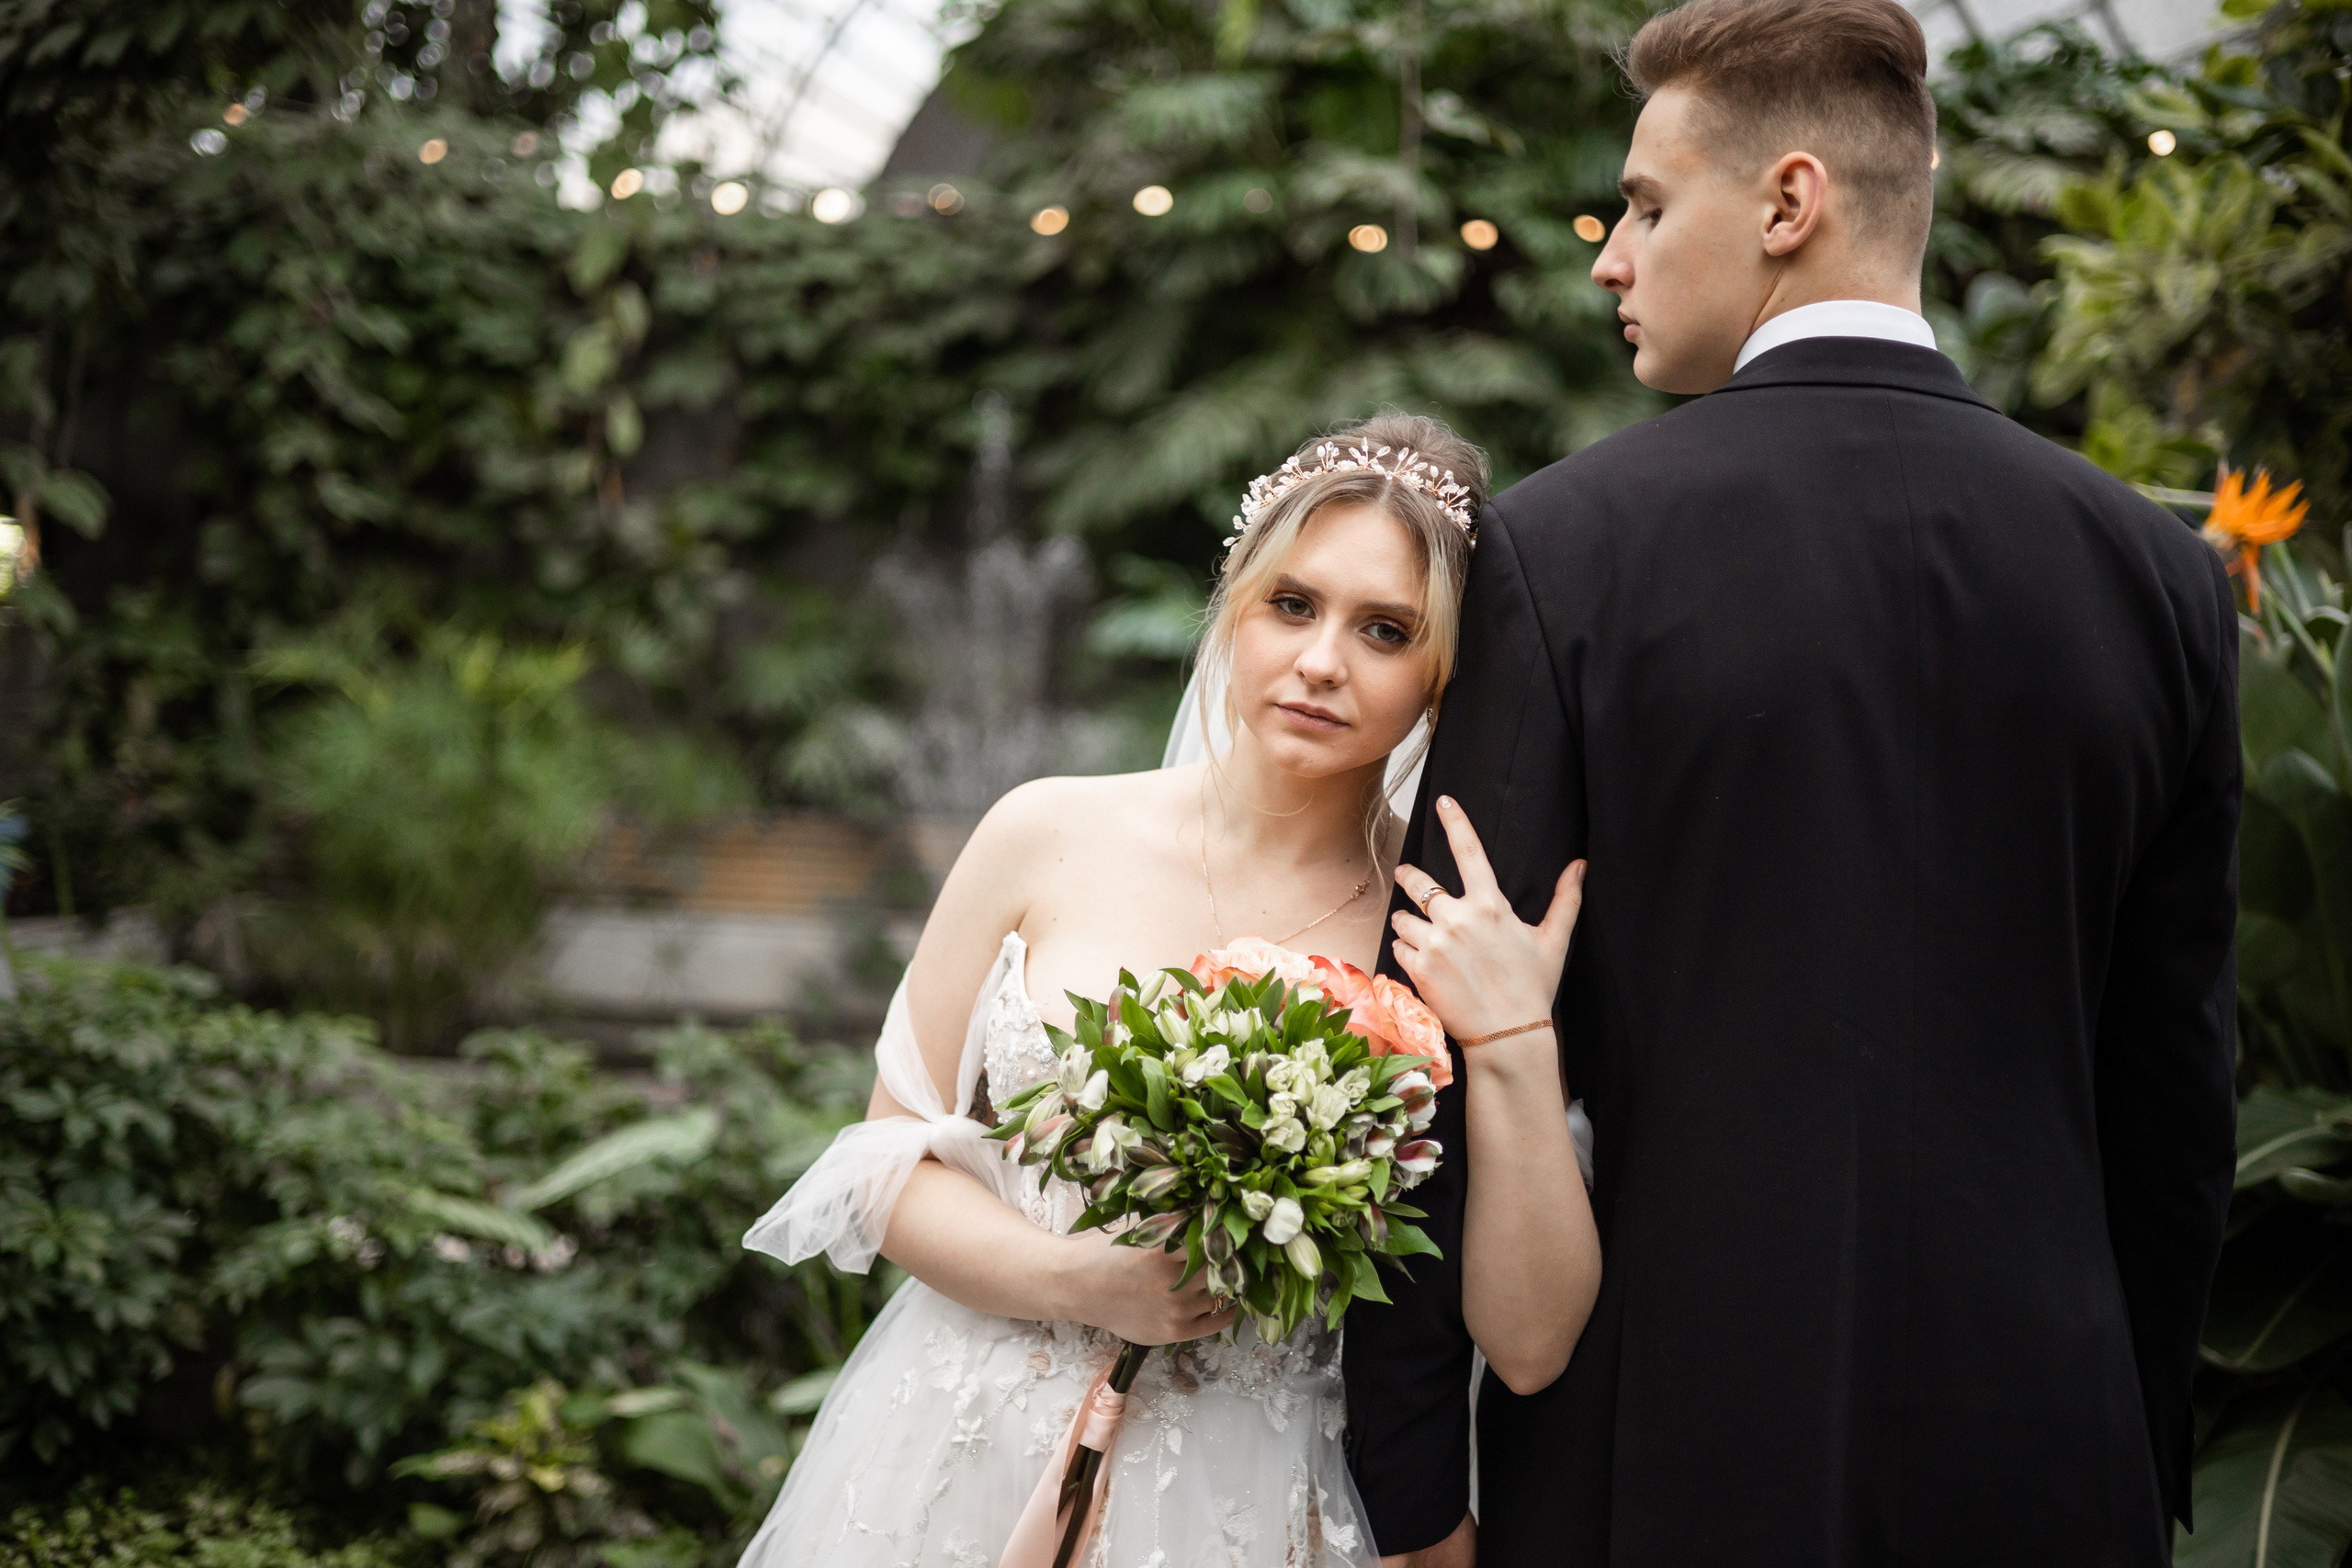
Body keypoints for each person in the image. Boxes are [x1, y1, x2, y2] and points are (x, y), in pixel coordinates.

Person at [1341, 2, 2242, 1563]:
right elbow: (2176, 1093)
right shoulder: (2159, 576)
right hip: (2055, 1455)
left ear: (1788, 202)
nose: (1610, 259)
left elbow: (1429, 1029)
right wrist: (2135, 1444)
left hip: (1667, 1461)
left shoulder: (1568, 549)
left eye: (1643, 204)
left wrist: (1413, 1491)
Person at [735, 412, 1600, 1568]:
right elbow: (884, 1170)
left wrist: (1516, 1037)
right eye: (1291, 604)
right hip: (963, 1450)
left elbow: (1531, 1346)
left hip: (1255, 1493)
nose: (1322, 661)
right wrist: (1082, 1281)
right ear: (1233, 606)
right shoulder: (1043, 831)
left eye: (1385, 630)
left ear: (1443, 675)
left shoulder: (1445, 930)